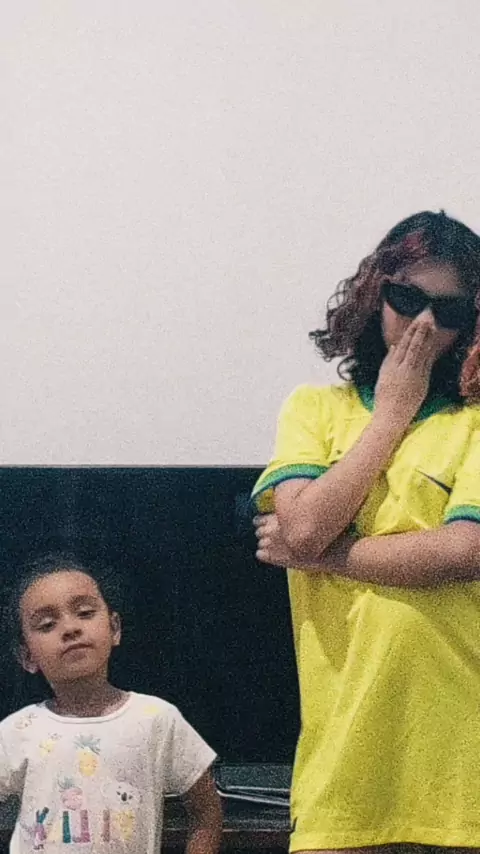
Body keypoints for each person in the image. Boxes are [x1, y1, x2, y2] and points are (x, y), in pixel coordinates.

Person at [251, 210, 480, 854]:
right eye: (407, 299)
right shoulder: (314, 408)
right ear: (375, 294)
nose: (424, 323)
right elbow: (303, 527)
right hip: (344, 775)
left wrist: (328, 558)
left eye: (448, 309)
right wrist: (392, 414)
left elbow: (464, 550)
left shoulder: (474, 423)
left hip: (459, 778)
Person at [0, 552, 222, 853]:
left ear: (114, 628)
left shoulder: (156, 718)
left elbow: (206, 813)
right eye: (47, 624)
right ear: (27, 656)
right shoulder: (17, 731)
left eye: (85, 612)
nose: (70, 628)